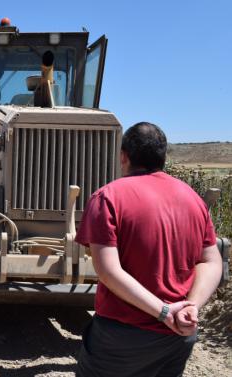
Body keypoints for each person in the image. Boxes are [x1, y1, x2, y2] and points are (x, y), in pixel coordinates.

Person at [75, 122, 223, 376]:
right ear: (163, 157)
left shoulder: (108, 197)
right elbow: (211, 261)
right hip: (178, 337)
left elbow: (109, 271)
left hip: (122, 337)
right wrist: (191, 307)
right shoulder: (193, 199)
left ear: (124, 156)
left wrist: (163, 312)